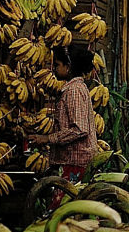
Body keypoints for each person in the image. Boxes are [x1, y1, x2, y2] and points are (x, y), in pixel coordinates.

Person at [27, 44, 99, 183]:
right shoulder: (74, 88)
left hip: (75, 163)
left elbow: (79, 130)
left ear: (69, 66)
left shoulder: (74, 90)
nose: (54, 69)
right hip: (71, 161)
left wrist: (48, 138)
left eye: (58, 65)